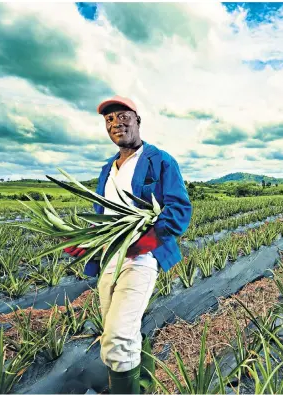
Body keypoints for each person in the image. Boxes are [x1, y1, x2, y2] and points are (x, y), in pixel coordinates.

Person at [64, 95, 192, 394]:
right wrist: (87, 244)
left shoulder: (160, 160)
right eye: (109, 119)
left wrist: (144, 243)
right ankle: (142, 383)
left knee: (117, 338)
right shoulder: (107, 169)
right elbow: (103, 218)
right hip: (110, 257)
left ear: (137, 120)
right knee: (116, 329)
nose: (116, 122)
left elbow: (178, 209)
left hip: (142, 257)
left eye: (123, 115)